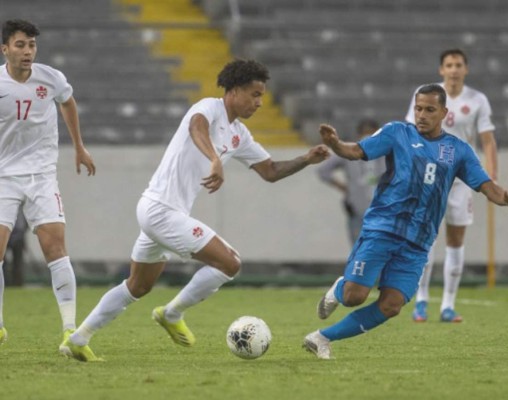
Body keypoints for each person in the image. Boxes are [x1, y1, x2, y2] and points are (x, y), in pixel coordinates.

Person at [60, 59, 330, 362]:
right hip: (161, 211)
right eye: (254, 94)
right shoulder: (209, 108)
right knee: (231, 263)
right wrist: (214, 159)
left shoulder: (239, 134)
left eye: (261, 96)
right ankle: (172, 313)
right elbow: (196, 126)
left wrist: (306, 159)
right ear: (235, 90)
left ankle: (78, 339)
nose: (259, 102)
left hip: (159, 212)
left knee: (137, 286)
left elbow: (269, 171)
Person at [303, 84, 508, 360]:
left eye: (430, 109)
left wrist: (503, 197)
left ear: (444, 113)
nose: (422, 114)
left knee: (392, 305)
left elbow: (484, 183)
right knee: (355, 295)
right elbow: (356, 151)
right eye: (418, 108)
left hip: (418, 242)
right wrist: (334, 144)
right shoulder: (396, 133)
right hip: (383, 228)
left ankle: (321, 338)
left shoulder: (458, 151)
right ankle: (339, 289)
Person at [0, 19, 96, 347]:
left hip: (41, 176)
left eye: (31, 45)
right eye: (20, 45)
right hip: (2, 177)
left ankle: (70, 329)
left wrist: (79, 147)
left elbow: (67, 101)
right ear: (5, 49)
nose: (27, 51)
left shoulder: (51, 78)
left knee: (55, 248)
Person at [405, 49, 498, 323]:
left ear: (466, 69)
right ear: (441, 69)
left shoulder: (477, 100)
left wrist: (491, 176)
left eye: (458, 65)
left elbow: (488, 140)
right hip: (430, 177)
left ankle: (448, 304)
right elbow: (411, 133)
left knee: (456, 241)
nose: (454, 69)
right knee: (425, 238)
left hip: (460, 180)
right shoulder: (425, 95)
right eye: (449, 64)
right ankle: (420, 301)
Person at [317, 118, 384, 244]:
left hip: (382, 210)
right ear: (359, 135)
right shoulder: (348, 151)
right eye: (365, 132)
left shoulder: (387, 152)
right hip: (357, 207)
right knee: (358, 248)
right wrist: (343, 187)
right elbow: (323, 171)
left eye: (371, 133)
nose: (368, 136)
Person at [3, 209, 28, 286]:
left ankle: (17, 284)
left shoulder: (22, 209)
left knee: (18, 263)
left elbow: (26, 224)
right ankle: (5, 283)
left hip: (18, 237)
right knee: (3, 263)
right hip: (4, 235)